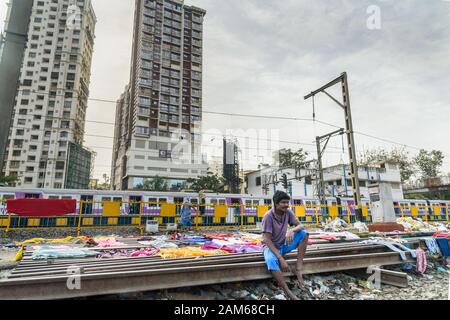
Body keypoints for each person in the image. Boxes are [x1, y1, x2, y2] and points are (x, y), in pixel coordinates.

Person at [261, 190, 309, 300]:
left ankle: (298, 268)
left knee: (304, 234)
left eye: (287, 202)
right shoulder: (268, 216)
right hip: (271, 247)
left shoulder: (288, 212)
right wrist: (281, 259)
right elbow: (267, 240)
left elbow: (301, 226)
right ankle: (288, 292)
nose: (286, 205)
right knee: (271, 261)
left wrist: (292, 230)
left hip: (283, 244)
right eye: (283, 202)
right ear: (276, 203)